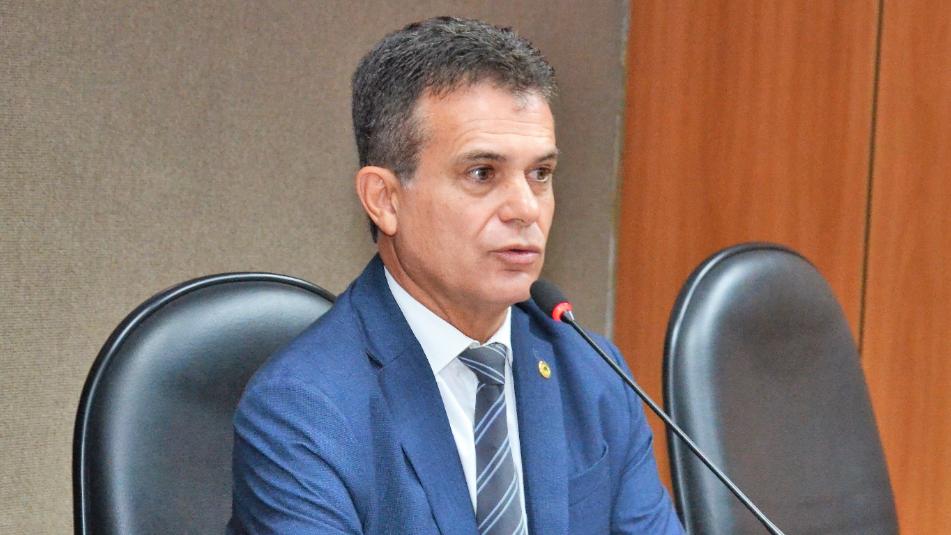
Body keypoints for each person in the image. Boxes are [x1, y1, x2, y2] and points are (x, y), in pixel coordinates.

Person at [229, 16, 684, 534]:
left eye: (540, 174)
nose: (525, 208)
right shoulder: (303, 411)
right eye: (482, 173)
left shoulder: (592, 374)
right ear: (385, 199)